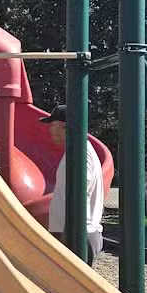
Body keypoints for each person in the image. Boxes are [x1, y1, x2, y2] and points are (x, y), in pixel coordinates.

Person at [44, 106, 105, 260]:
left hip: (76, 233)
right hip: (75, 232)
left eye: (53, 125)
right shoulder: (76, 151)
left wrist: (69, 235)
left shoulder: (80, 153)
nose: (50, 130)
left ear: (64, 126)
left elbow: (80, 190)